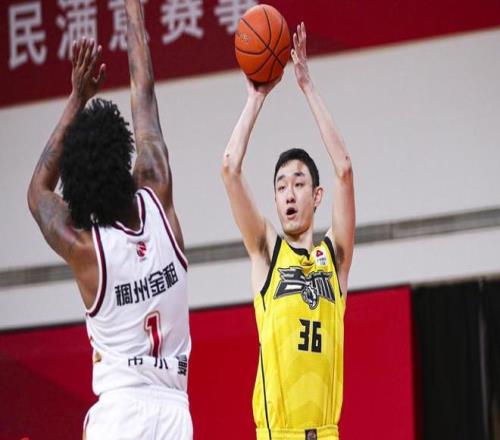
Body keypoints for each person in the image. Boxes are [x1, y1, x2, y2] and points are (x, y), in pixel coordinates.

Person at [27, 1, 192, 438]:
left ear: (78, 187)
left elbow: (38, 192)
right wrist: (133, 9)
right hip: (175, 415)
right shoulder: (157, 192)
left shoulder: (88, 250)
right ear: (124, 155)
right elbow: (144, 92)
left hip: (119, 415)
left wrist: (77, 98)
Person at [221, 22, 355, 440]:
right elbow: (229, 169)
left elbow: (344, 170)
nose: (289, 194)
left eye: (298, 183)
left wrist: (307, 86)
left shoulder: (334, 257)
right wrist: (255, 99)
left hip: (327, 433)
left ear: (316, 196)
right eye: (281, 187)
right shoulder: (266, 252)